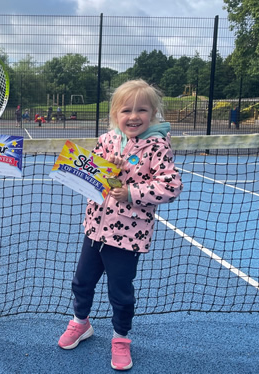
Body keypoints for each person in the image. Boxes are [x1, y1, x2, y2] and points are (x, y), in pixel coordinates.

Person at [57, 79, 183, 371]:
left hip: (127, 237)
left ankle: (121, 338)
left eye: (142, 109)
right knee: (82, 282)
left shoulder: (157, 146)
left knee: (120, 291)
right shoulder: (107, 139)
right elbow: (92, 174)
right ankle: (81, 322)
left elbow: (171, 185)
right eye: (126, 110)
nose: (134, 116)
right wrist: (106, 164)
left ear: (153, 113)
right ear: (115, 114)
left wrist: (131, 192)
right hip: (94, 230)